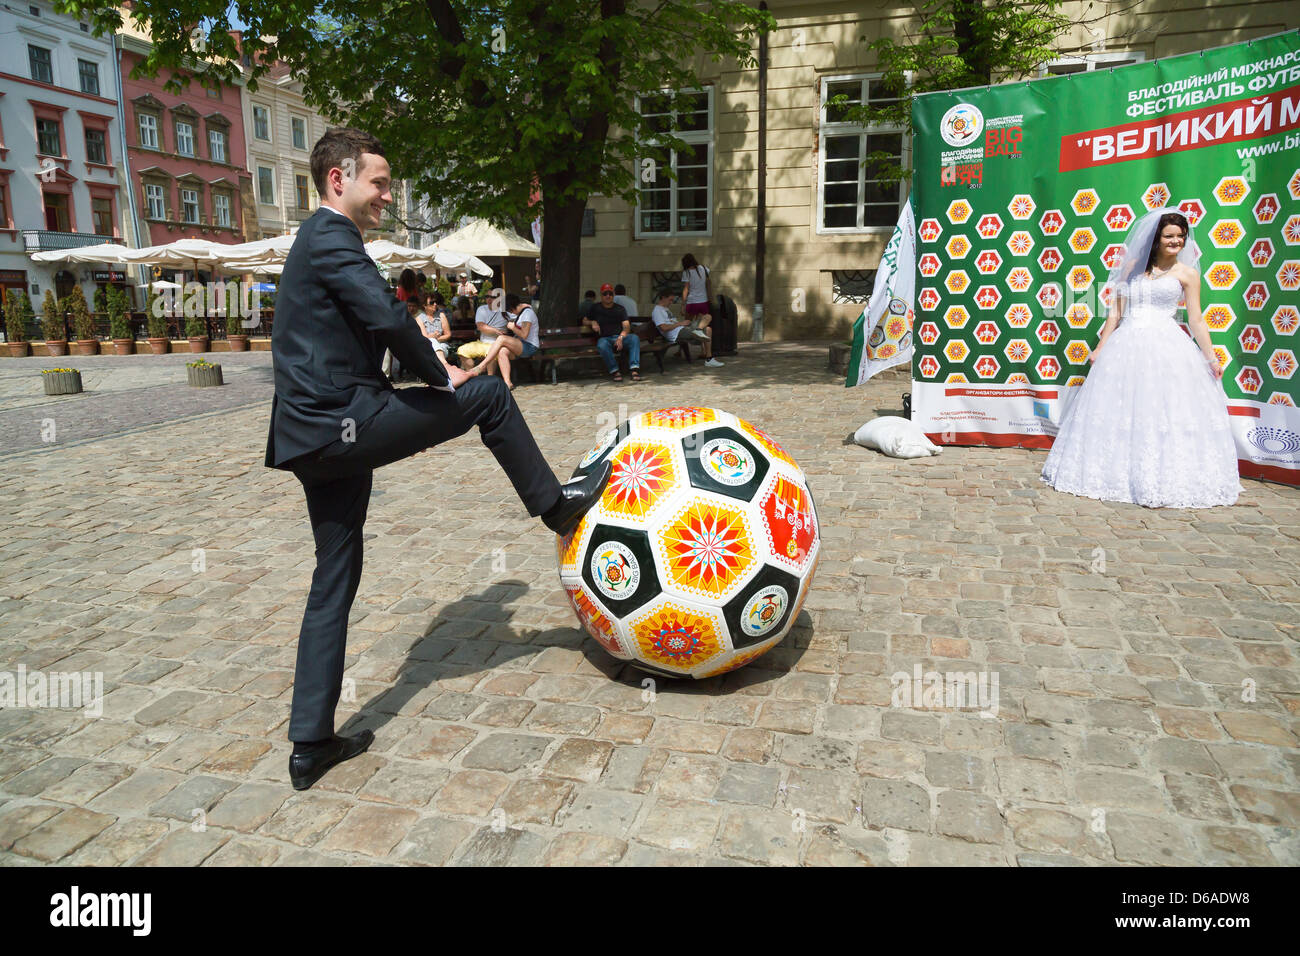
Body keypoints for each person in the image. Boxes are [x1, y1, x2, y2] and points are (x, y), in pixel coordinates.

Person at [263, 127, 611, 790]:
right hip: (341, 426)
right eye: (379, 182)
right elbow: (387, 317)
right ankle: (556, 510)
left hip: (314, 438)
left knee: (334, 576)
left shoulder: (319, 242)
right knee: (488, 399)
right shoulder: (332, 234)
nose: (386, 196)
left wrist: (425, 367)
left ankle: (310, 744)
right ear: (338, 180)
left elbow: (359, 328)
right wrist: (440, 371)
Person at [1041, 208, 1239, 508]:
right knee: (1121, 408)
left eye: (1181, 237)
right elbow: (1116, 311)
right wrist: (1100, 347)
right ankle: (1116, 474)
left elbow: (1196, 319)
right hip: (1126, 345)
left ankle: (1161, 477)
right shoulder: (1132, 267)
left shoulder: (1188, 274)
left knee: (1162, 411)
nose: (1176, 242)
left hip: (1168, 347)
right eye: (1169, 236)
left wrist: (1211, 358)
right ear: (1155, 238)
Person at [470, 292, 540, 391]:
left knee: (501, 339)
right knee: (502, 351)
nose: (511, 313)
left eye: (510, 310)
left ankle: (483, 365)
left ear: (512, 307)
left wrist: (513, 327)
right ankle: (508, 382)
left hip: (530, 347)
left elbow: (524, 334)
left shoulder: (527, 313)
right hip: (521, 346)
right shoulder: (521, 312)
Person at [585, 282, 640, 382]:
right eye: (605, 294)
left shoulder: (620, 309)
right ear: (601, 295)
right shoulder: (595, 308)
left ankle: (634, 369)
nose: (608, 296)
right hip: (605, 338)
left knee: (634, 338)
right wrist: (592, 322)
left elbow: (626, 326)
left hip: (620, 337)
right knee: (601, 345)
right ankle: (615, 371)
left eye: (610, 294)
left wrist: (621, 337)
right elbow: (584, 320)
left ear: (613, 295)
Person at [680, 253, 722, 367]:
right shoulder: (704, 268)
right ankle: (704, 352)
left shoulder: (687, 272)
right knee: (704, 326)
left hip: (692, 302)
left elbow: (686, 289)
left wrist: (683, 304)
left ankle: (680, 350)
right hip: (703, 302)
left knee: (686, 324)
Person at [418, 291, 456, 371]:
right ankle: (446, 366)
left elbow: (448, 334)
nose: (435, 304)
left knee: (439, 347)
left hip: (442, 345)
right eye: (432, 302)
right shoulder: (419, 318)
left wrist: (435, 339)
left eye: (435, 302)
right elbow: (424, 337)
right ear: (424, 305)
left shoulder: (441, 315)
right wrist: (433, 338)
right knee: (432, 346)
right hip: (427, 347)